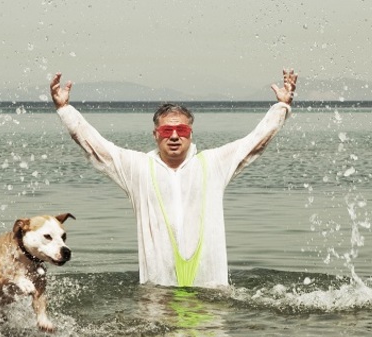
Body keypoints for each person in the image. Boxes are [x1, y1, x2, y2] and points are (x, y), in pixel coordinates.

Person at [49, 69, 297, 288]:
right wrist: (64, 109)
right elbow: (95, 146)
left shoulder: (213, 163)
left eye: (182, 130)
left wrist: (281, 107)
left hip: (210, 289)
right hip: (158, 290)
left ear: (190, 133)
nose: (175, 136)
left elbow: (254, 143)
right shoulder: (138, 168)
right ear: (156, 134)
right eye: (167, 130)